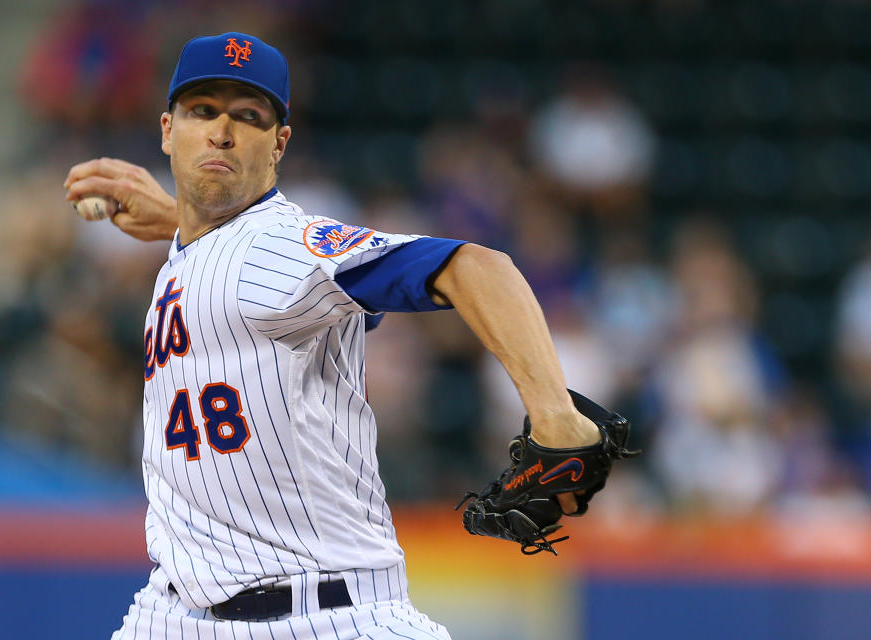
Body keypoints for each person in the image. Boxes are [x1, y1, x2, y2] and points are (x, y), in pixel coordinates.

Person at [64, 32, 600, 640]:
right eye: (202, 111)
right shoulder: (198, 252)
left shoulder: (286, 246)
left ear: (279, 145)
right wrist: (174, 218)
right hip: (173, 613)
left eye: (248, 117)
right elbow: (227, 263)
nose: (221, 131)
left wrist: (555, 413)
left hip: (324, 615)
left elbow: (480, 268)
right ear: (166, 131)